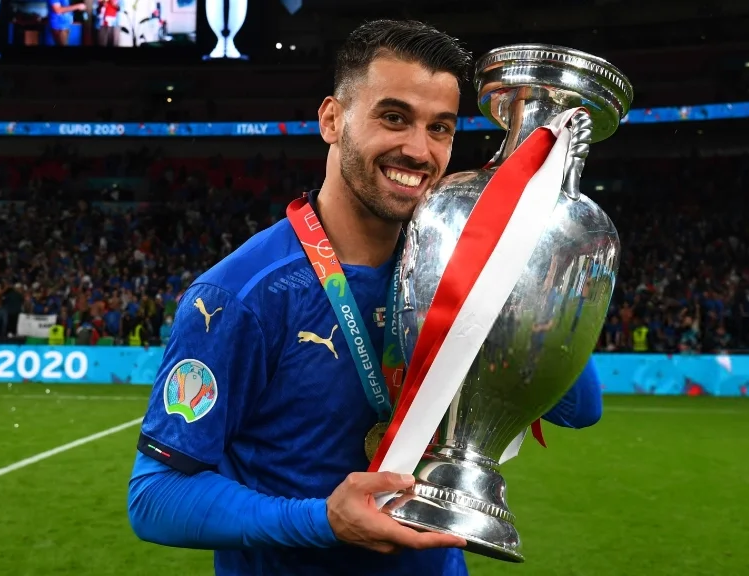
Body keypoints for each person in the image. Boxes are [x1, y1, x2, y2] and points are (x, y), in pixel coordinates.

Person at [127, 19, 604, 576]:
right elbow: (155, 498)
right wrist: (321, 521)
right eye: (394, 117)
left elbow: (579, 410)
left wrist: (527, 241)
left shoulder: (459, 270)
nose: (419, 150)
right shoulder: (240, 295)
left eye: (440, 128)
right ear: (332, 119)